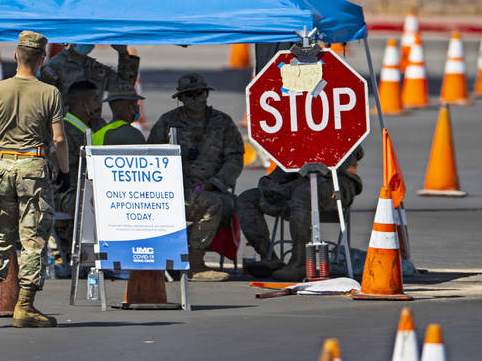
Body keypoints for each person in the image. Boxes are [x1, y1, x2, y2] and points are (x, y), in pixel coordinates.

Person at [0, 30, 69, 328]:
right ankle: (24, 307)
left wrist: (3, 145)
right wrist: (63, 168)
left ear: (15, 55)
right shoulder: (49, 93)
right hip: (34, 167)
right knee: (33, 238)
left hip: (1, 165)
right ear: (41, 59)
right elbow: (59, 138)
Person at [146, 73, 243, 281]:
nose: (195, 99)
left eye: (199, 94)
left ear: (207, 94)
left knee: (239, 204)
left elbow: (235, 158)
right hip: (173, 195)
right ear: (180, 98)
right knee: (211, 205)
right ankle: (194, 264)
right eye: (189, 95)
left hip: (214, 190)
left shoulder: (222, 122)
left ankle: (268, 260)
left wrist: (215, 183)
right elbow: (151, 156)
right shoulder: (167, 122)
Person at [237, 147, 365, 280]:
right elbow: (287, 164)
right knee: (247, 199)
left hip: (336, 184)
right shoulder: (298, 132)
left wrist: (293, 185)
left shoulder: (341, 131)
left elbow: (338, 164)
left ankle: (299, 263)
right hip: (294, 188)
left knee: (303, 193)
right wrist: (271, 182)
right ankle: (268, 257)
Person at [53, 80, 101, 260]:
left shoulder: (97, 126)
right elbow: (57, 175)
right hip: (64, 192)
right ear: (82, 105)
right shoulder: (63, 130)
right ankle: (86, 257)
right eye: (95, 100)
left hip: (91, 188)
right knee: (88, 205)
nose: (99, 104)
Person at [39, 43, 140, 117]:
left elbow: (125, 87)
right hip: (66, 132)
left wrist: (123, 53)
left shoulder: (96, 68)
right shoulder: (53, 67)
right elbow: (43, 104)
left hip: (94, 130)